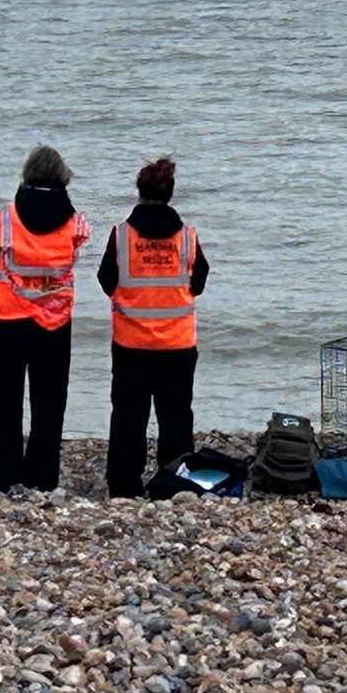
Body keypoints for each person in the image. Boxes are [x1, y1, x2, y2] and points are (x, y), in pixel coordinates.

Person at [0, 145, 91, 492]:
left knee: (5, 398)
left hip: (6, 317)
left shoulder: (5, 219)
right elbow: (72, 255)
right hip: (54, 322)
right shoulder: (76, 223)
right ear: (63, 178)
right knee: (49, 400)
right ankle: (42, 477)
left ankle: (4, 475)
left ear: (26, 175)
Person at [99, 157, 211, 498]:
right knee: (175, 416)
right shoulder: (188, 237)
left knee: (128, 416)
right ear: (170, 193)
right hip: (177, 344)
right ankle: (173, 485)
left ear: (139, 192)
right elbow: (199, 282)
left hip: (131, 343)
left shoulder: (121, 236)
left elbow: (106, 280)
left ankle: (123, 485)